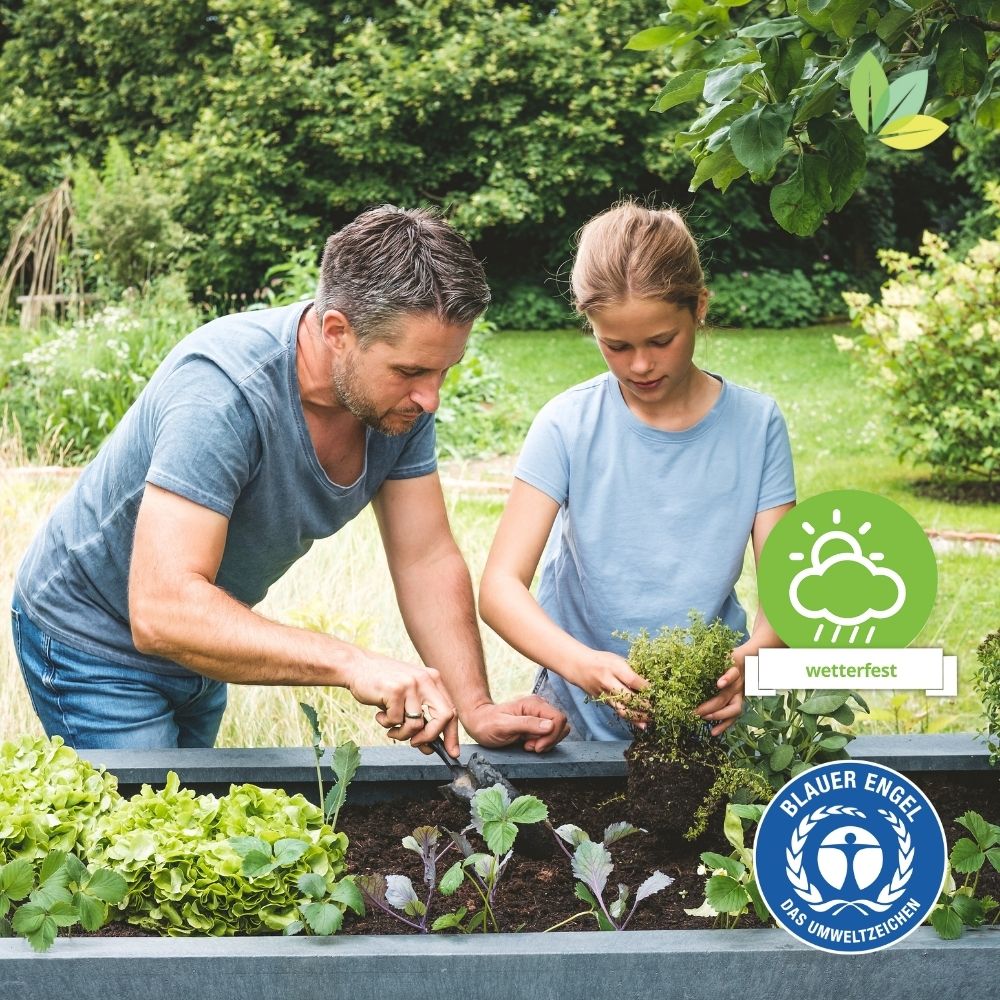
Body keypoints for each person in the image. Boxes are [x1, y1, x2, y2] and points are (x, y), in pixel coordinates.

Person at [11, 205, 568, 754]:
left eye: (445, 369)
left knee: (185, 812)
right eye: (411, 371)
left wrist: (476, 706)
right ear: (337, 331)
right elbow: (162, 610)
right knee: (149, 837)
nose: (432, 397)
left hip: (201, 639)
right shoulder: (223, 393)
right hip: (93, 637)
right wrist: (352, 662)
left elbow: (425, 557)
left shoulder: (397, 405)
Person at [479, 200, 795, 741]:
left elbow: (788, 588)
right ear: (590, 325)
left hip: (707, 704)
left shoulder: (756, 425)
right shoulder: (567, 424)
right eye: (616, 346)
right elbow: (499, 588)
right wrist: (580, 664)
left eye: (660, 341)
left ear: (698, 307)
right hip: (576, 707)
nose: (640, 365)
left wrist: (754, 659)